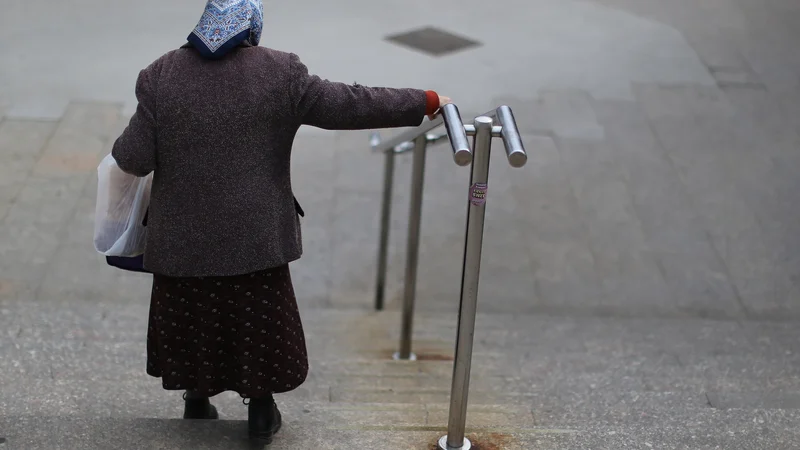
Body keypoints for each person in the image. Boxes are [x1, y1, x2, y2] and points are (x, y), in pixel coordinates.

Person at [110, 0, 451, 444]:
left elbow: (132, 159)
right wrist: (424, 102)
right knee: (254, 323)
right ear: (251, 28)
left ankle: (196, 399)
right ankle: (261, 412)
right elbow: (350, 104)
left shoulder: (160, 75)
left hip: (182, 240)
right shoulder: (280, 72)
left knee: (195, 316)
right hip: (256, 238)